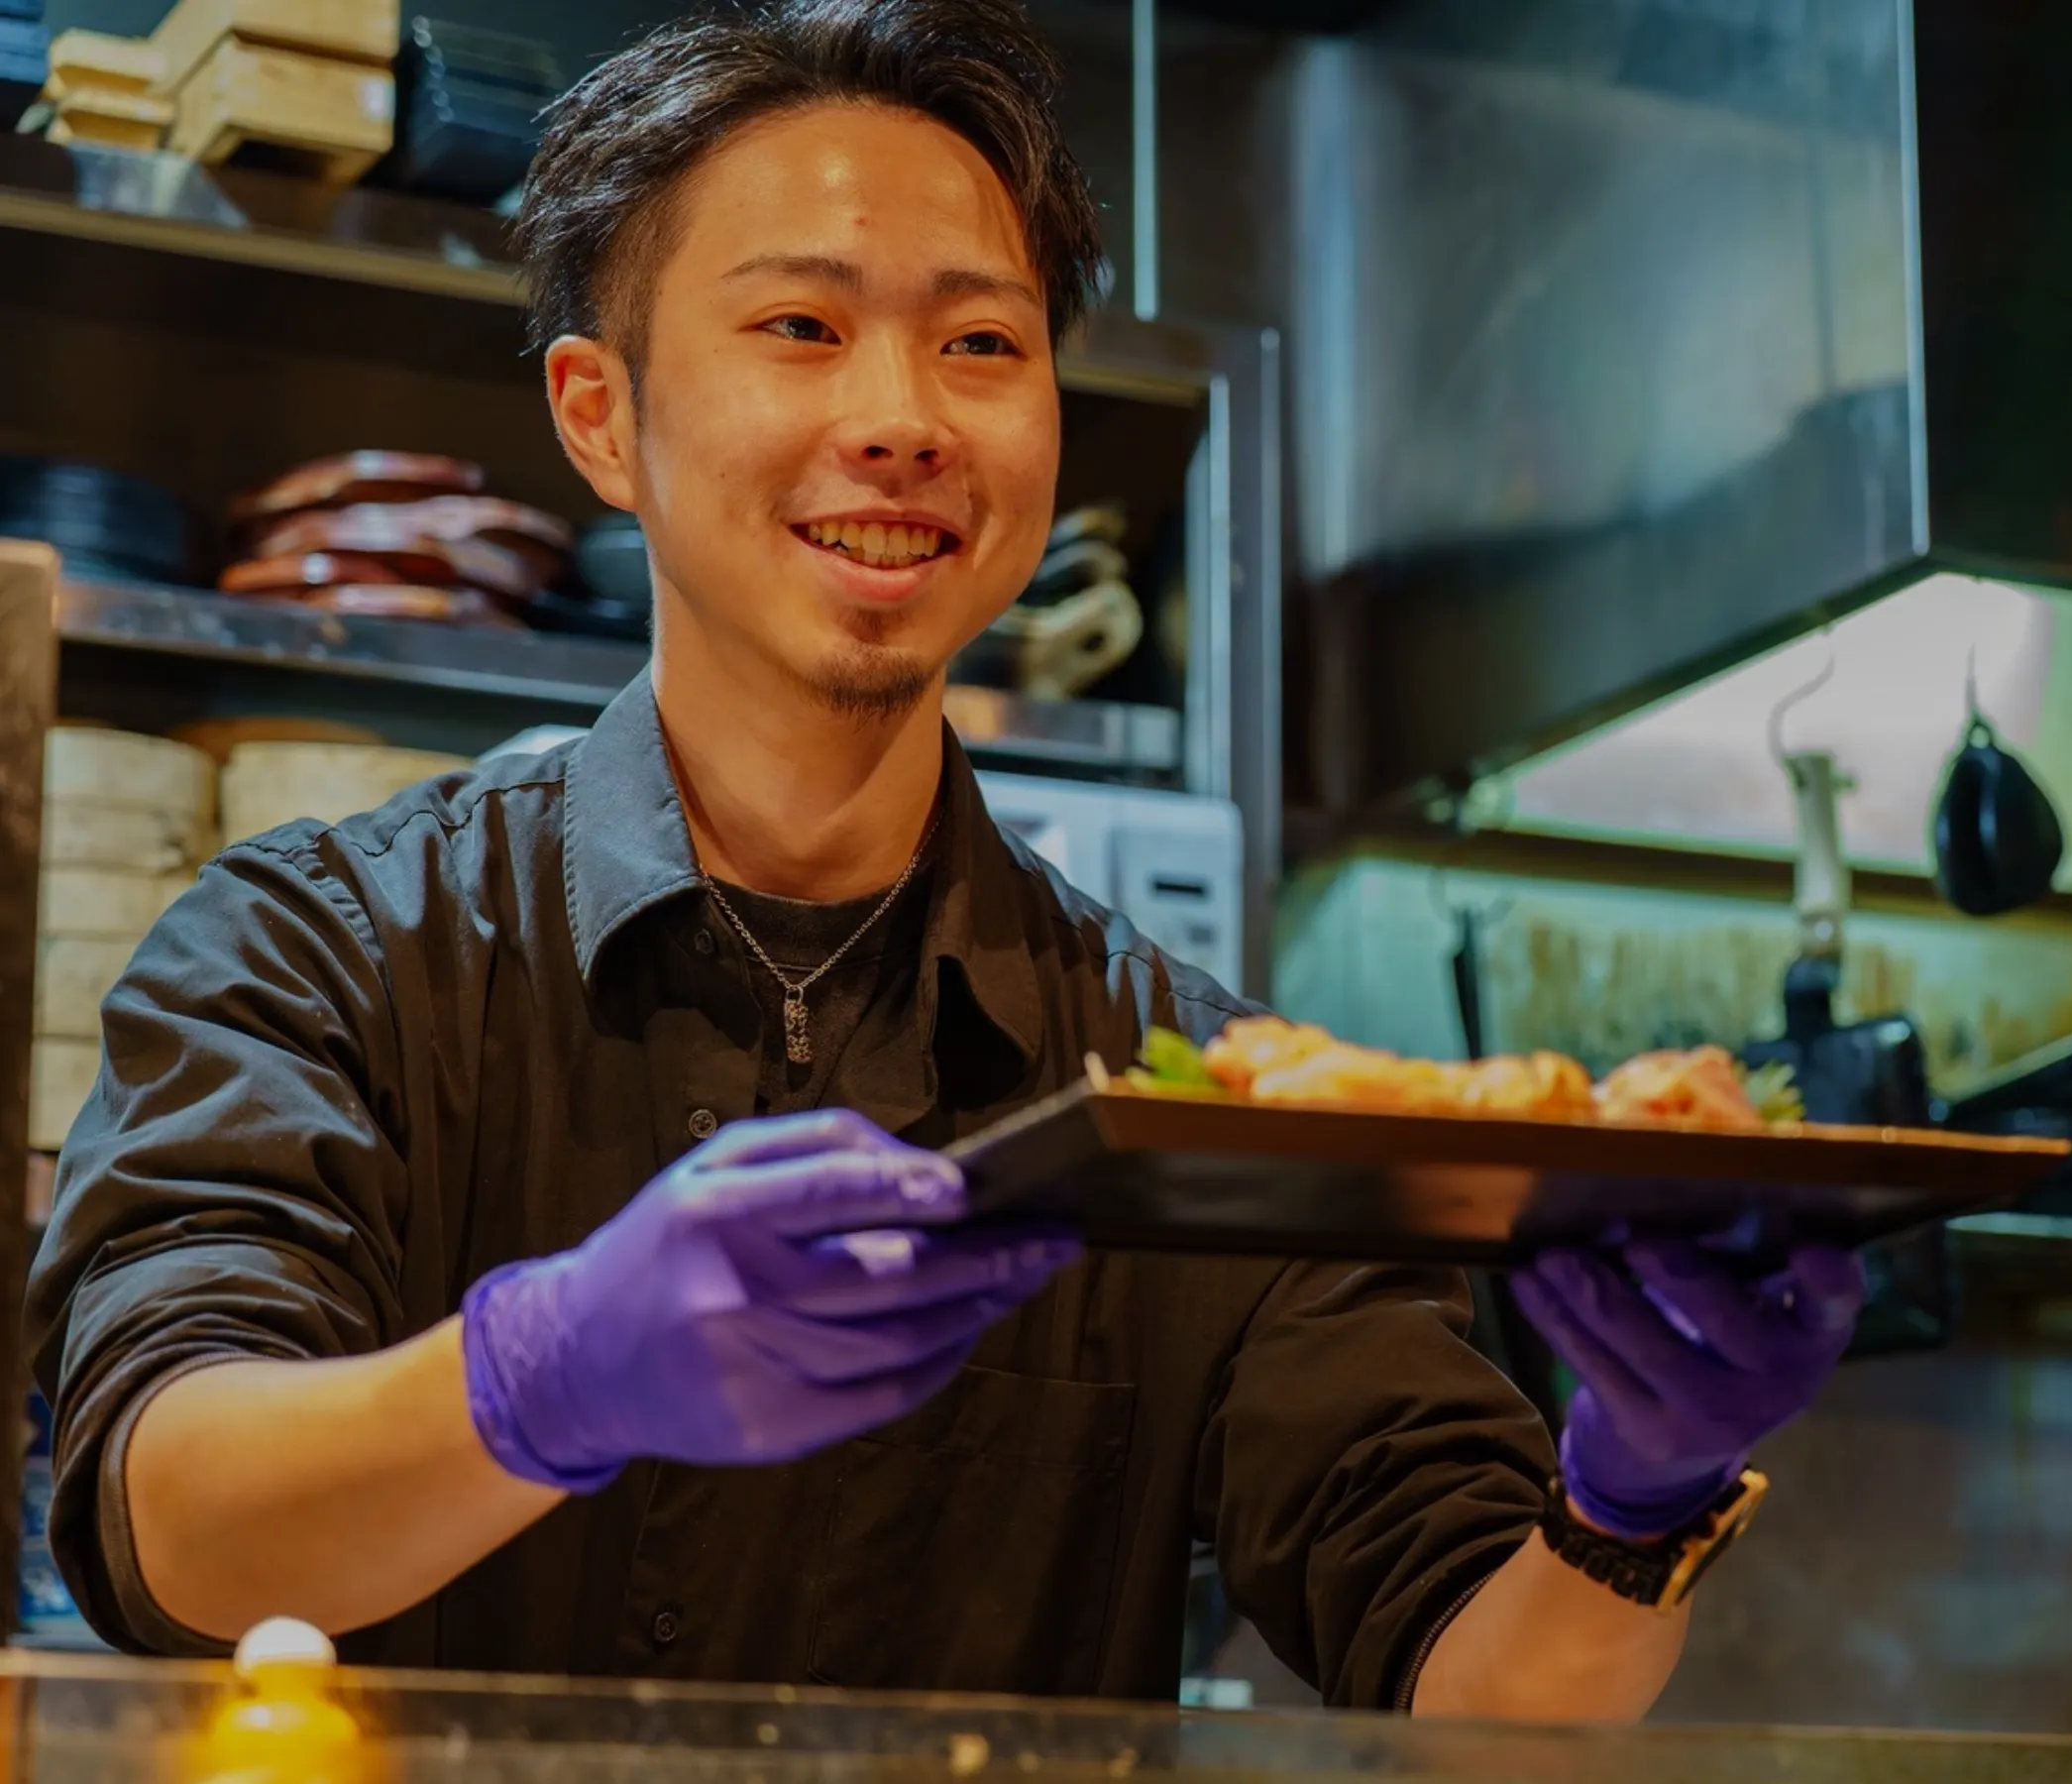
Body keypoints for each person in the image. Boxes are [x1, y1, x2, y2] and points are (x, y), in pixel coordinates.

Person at [27, 0, 1864, 1721]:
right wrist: (544, 1375)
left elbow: (1475, 1695)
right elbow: (162, 1515)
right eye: (802, 327)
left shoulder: (1193, 1093)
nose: (903, 415)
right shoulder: (312, 952)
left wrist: (1636, 1487)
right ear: (604, 416)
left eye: (981, 342)